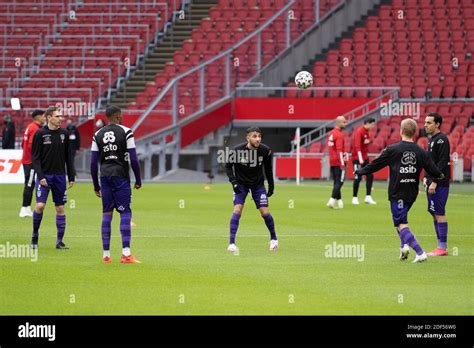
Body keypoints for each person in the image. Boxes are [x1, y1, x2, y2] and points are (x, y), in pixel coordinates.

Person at [355, 119, 444, 263]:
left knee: (401, 224)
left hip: (398, 192)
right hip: (412, 193)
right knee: (399, 221)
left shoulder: (393, 149)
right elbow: (432, 168)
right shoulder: (420, 151)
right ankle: (404, 247)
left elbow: (376, 164)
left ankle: (420, 252)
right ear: (415, 133)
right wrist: (440, 175)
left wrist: (360, 171)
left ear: (401, 131)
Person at [90, 105, 142, 264]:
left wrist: (95, 185)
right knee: (125, 213)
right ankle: (126, 254)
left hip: (104, 176)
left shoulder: (97, 134)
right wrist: (138, 179)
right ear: (118, 117)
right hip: (120, 176)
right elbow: (133, 159)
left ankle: (106, 255)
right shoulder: (127, 132)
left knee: (106, 214)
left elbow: (93, 163)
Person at [225, 127, 277, 252]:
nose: (258, 139)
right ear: (248, 138)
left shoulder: (265, 151)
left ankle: (274, 239)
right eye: (254, 136)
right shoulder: (237, 151)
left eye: (259, 136)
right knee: (237, 210)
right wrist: (234, 183)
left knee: (264, 212)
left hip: (257, 185)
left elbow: (268, 169)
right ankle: (231, 244)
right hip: (241, 184)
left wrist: (271, 185)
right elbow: (228, 166)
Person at [31, 106, 76, 249]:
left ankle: (59, 241)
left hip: (60, 176)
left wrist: (71, 176)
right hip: (45, 176)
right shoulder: (40, 134)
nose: (60, 119)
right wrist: (41, 176)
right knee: (40, 206)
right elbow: (35, 158)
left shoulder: (65, 133)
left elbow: (69, 156)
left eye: (61, 116)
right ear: (49, 117)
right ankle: (35, 235)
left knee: (60, 208)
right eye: (57, 116)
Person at [423, 112, 451, 256]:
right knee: (434, 213)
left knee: (439, 213)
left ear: (437, 124)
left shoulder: (442, 140)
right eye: (425, 122)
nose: (425, 125)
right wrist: (425, 177)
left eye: (429, 123)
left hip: (440, 183)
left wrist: (434, 181)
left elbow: (442, 163)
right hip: (432, 182)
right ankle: (439, 246)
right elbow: (430, 162)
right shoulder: (432, 139)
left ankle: (442, 247)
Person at [19, 109, 46, 217]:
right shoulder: (35, 129)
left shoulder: (30, 126)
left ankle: (26, 207)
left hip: (26, 160)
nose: (45, 118)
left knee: (30, 184)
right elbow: (31, 145)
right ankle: (24, 208)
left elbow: (23, 144)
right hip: (31, 162)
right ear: (38, 117)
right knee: (29, 184)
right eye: (43, 116)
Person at [351, 117, 377, 205]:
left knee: (370, 175)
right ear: (367, 123)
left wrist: (364, 158)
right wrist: (360, 158)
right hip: (357, 158)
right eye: (372, 124)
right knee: (357, 177)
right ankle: (354, 197)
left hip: (365, 158)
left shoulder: (367, 132)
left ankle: (368, 197)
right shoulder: (359, 131)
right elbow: (357, 146)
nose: (373, 126)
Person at [327, 116, 347, 209]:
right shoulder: (339, 135)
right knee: (340, 182)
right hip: (338, 161)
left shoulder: (331, 133)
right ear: (339, 123)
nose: (345, 124)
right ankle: (331, 200)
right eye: (344, 122)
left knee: (336, 182)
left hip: (332, 160)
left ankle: (339, 202)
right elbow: (339, 150)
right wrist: (342, 163)